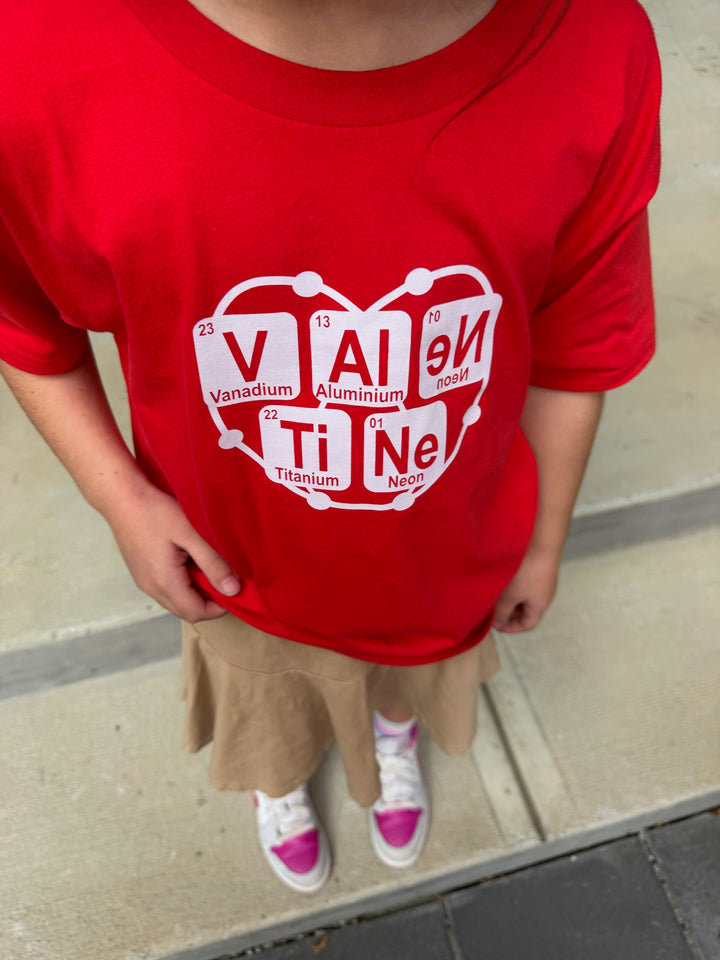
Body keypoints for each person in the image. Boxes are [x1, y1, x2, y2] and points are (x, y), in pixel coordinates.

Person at [0, 0, 660, 893]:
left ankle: (393, 731)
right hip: (240, 574)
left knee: (403, 688)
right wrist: (117, 495)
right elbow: (26, 322)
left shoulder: (595, 44)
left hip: (446, 565)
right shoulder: (39, 54)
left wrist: (541, 540)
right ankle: (278, 777)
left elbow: (579, 344)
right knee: (269, 708)